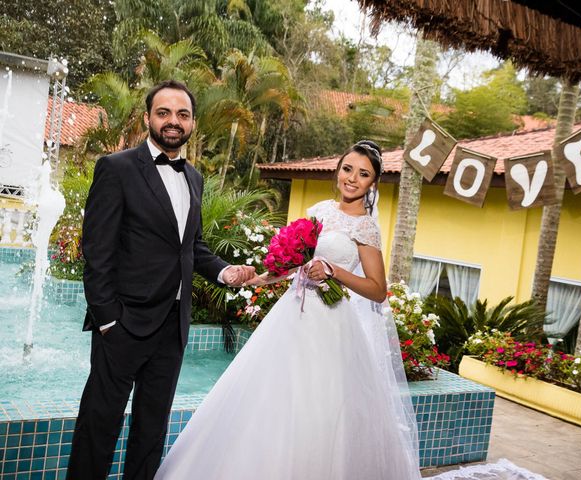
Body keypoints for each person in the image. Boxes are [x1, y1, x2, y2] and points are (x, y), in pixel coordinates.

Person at [155, 140, 423, 480]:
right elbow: (293, 263)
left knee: (319, 407)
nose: (352, 178)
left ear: (373, 184)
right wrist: (251, 280)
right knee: (267, 398)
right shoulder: (320, 211)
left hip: (332, 326)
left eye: (363, 174)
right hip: (292, 316)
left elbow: (377, 289)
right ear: (338, 170)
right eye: (347, 169)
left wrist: (334, 271)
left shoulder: (365, 227)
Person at [66, 80, 257, 480]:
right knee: (98, 427)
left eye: (182, 114)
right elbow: (97, 253)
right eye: (164, 113)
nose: (173, 121)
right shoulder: (115, 168)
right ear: (148, 117)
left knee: (151, 431)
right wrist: (107, 321)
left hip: (172, 327)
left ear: (192, 123)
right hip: (122, 325)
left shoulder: (195, 179)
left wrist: (225, 271)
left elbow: (192, 246)